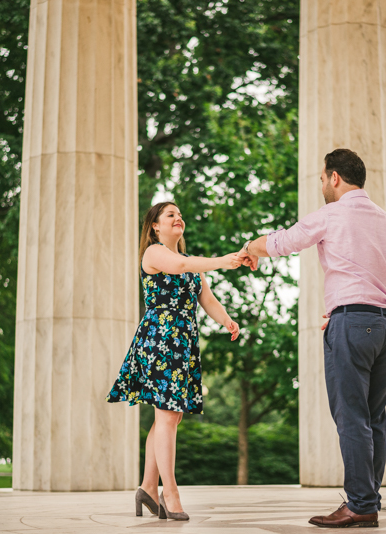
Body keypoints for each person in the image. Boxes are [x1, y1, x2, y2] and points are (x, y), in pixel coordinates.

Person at [238, 148, 386, 529]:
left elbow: (283, 242)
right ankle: (368, 501)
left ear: (334, 177)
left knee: (351, 418)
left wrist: (250, 249)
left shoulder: (332, 214)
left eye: (322, 178)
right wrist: (372, 306)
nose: (322, 186)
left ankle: (361, 504)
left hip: (352, 325)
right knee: (373, 418)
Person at [107, 201, 243, 521]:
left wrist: (226, 321)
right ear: (155, 226)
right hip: (160, 340)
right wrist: (224, 260)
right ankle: (171, 494)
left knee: (169, 418)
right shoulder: (154, 253)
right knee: (167, 417)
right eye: (171, 215)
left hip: (182, 342)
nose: (178, 218)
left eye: (180, 215)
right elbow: (182, 268)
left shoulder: (186, 259)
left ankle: (147, 488)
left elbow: (205, 298)